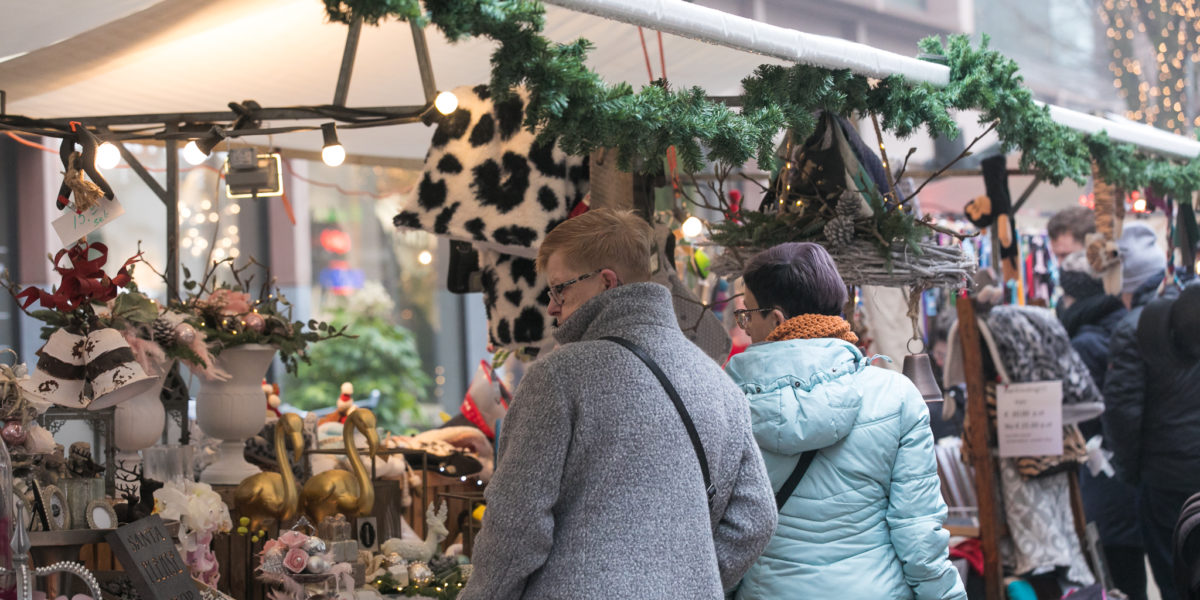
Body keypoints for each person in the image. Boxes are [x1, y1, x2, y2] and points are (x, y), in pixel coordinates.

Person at [460, 209, 777, 600]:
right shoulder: (721, 384)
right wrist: (685, 579)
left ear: (607, 281)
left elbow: (516, 527)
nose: (552, 307)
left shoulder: (558, 376)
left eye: (560, 289)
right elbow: (756, 518)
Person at [726, 242, 966, 600]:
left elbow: (722, 535)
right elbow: (918, 534)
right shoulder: (896, 397)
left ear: (776, 319)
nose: (743, 328)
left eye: (747, 314)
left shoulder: (724, 402)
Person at [1104, 222, 1200, 600]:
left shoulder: (1134, 330)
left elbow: (1123, 413)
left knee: (1176, 576)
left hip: (1166, 478)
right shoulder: (1187, 316)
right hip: (1173, 469)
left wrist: (1130, 470)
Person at [1056, 251, 1145, 600]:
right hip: (1126, 477)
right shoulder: (1124, 328)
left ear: (1076, 296)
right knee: (1129, 572)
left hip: (1102, 476)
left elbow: (1088, 417)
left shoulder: (1084, 343)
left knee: (1115, 575)